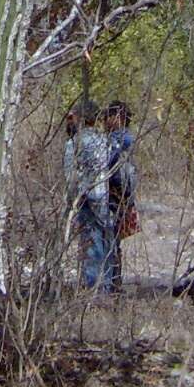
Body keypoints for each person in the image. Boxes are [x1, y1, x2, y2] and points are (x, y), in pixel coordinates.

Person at [65, 102, 116, 291]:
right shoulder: (105, 141)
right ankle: (107, 286)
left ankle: (94, 289)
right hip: (103, 195)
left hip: (85, 198)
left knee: (90, 242)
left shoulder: (75, 143)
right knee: (106, 240)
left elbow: (71, 176)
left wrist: (71, 201)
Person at [104, 101, 138, 287]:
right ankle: (115, 281)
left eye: (109, 116)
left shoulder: (121, 139)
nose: (106, 120)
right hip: (121, 195)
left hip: (117, 195)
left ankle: (113, 282)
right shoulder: (123, 138)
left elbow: (107, 161)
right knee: (113, 240)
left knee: (111, 239)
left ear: (119, 117)